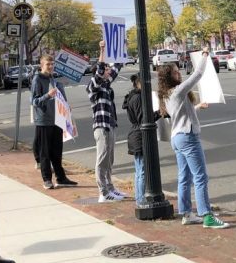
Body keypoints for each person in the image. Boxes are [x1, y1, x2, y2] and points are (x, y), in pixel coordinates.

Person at [158, 48, 228, 228]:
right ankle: (207, 216)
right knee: (200, 177)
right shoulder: (178, 90)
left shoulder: (166, 94)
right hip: (188, 137)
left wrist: (197, 107)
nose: (178, 73)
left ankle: (186, 213)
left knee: (185, 177)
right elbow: (198, 74)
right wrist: (205, 56)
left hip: (177, 137)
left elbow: (179, 115)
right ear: (169, 76)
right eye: (175, 71)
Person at [30, 54, 78, 190]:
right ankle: (46, 179)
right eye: (48, 65)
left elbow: (58, 98)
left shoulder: (53, 78)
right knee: (44, 152)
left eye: (52, 64)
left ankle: (61, 178)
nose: (50, 67)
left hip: (57, 119)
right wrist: (48, 95)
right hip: (43, 121)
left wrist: (66, 107)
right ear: (41, 65)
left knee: (57, 151)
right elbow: (33, 101)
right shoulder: (37, 79)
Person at [87, 40, 124, 202]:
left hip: (110, 125)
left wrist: (122, 46)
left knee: (110, 158)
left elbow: (118, 66)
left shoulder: (107, 84)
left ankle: (110, 188)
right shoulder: (93, 86)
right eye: (105, 69)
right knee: (102, 158)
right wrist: (102, 49)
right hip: (101, 127)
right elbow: (101, 70)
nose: (109, 70)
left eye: (108, 69)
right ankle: (102, 191)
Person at [122, 74, 160, 206]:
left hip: (136, 135)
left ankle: (140, 198)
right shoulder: (137, 98)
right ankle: (141, 200)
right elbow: (143, 119)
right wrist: (158, 114)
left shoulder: (133, 96)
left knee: (140, 171)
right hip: (139, 136)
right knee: (142, 171)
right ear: (139, 84)